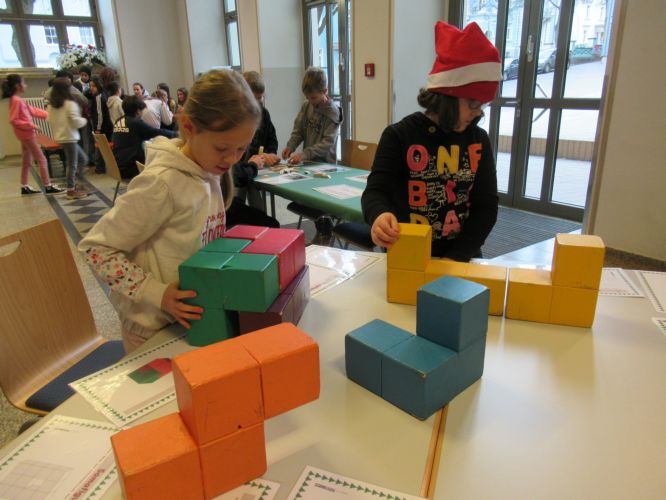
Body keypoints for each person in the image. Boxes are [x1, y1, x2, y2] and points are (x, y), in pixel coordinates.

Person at [78, 69, 261, 353]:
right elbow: (95, 249)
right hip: (151, 330)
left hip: (191, 322)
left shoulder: (210, 169)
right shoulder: (162, 183)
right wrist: (158, 293)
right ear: (188, 126)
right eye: (222, 148)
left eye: (241, 149)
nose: (232, 159)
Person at [362, 21, 501, 262]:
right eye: (473, 103)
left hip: (462, 255)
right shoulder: (399, 136)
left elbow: (486, 207)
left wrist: (456, 257)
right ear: (448, 96)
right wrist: (379, 216)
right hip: (408, 253)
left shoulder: (479, 141)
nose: (479, 112)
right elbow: (375, 192)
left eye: (482, 105)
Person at [2, 74, 65, 195]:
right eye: (23, 83)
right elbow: (14, 120)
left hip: (24, 134)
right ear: (18, 86)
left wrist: (50, 115)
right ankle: (47, 185)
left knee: (27, 160)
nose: (25, 85)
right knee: (42, 159)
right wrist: (32, 126)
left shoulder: (17, 100)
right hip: (27, 135)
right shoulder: (16, 100)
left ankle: (24, 185)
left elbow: (32, 110)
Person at [232, 70, 279, 209]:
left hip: (257, 169)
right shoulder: (235, 116)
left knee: (257, 206)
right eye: (255, 98)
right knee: (236, 201)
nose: (258, 102)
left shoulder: (263, 113)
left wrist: (270, 153)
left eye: (260, 97)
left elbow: (272, 138)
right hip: (240, 170)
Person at [282, 66, 342, 165]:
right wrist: (290, 146)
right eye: (307, 97)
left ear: (325, 91)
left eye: (313, 98)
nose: (310, 101)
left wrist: (304, 154)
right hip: (308, 162)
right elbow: (298, 131)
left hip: (326, 165)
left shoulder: (333, 112)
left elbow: (327, 142)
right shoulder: (306, 106)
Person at [111, 95, 177, 179]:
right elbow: (155, 132)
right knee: (164, 162)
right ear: (138, 111)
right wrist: (176, 134)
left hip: (118, 166)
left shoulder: (118, 121)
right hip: (131, 169)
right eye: (142, 110)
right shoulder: (135, 123)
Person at [47, 77, 91, 199]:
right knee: (73, 163)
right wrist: (84, 120)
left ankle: (79, 180)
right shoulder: (69, 104)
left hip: (62, 136)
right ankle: (71, 189)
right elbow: (76, 121)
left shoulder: (52, 105)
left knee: (82, 159)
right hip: (70, 137)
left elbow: (49, 119)